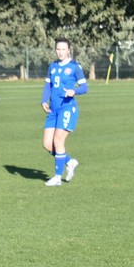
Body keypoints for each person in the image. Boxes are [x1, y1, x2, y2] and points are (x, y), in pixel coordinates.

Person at [41, 37, 88, 186]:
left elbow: (84, 87)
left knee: (58, 140)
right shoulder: (52, 66)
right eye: (58, 49)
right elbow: (48, 86)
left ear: (69, 50)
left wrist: (74, 91)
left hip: (67, 108)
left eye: (63, 49)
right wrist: (44, 100)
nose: (60, 52)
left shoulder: (75, 67)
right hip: (53, 110)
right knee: (48, 144)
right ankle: (70, 162)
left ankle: (57, 178)